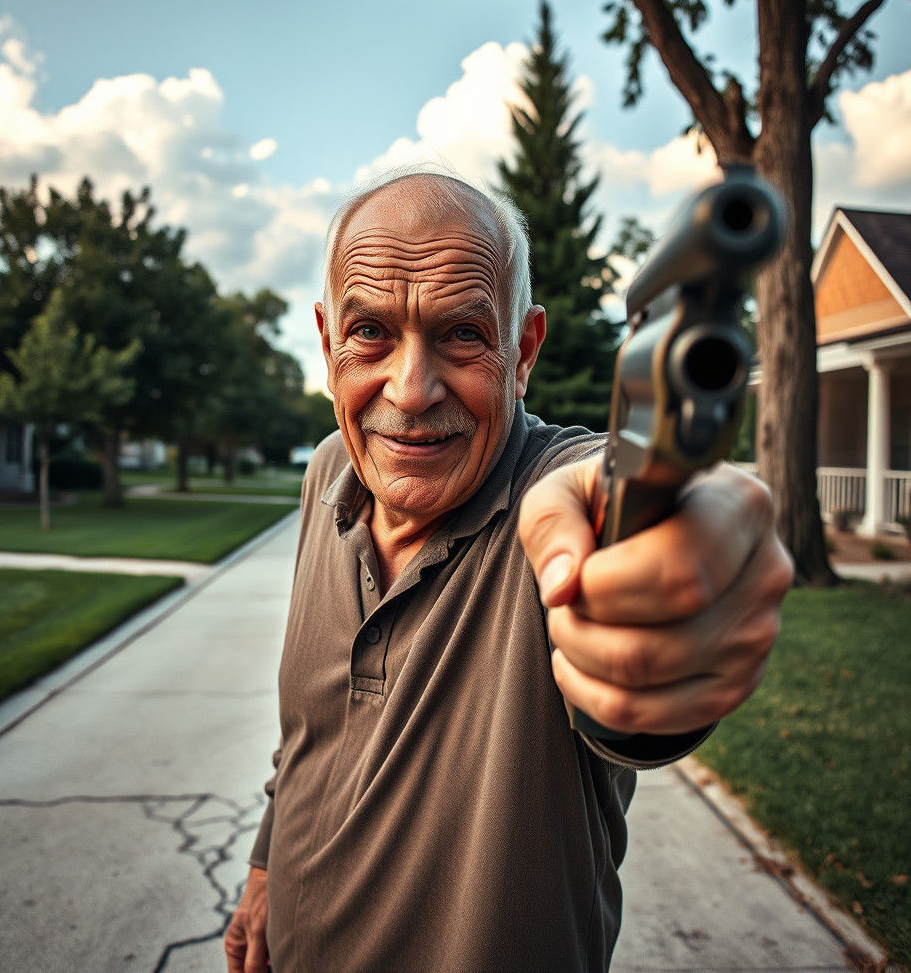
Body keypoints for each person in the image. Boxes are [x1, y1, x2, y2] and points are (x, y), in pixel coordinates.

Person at [224, 169, 793, 973]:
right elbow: (306, 736)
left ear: (522, 350)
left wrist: (673, 565)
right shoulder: (329, 476)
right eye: (371, 333)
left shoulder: (558, 496)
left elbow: (634, 531)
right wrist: (262, 868)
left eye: (461, 334)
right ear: (326, 344)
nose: (411, 392)